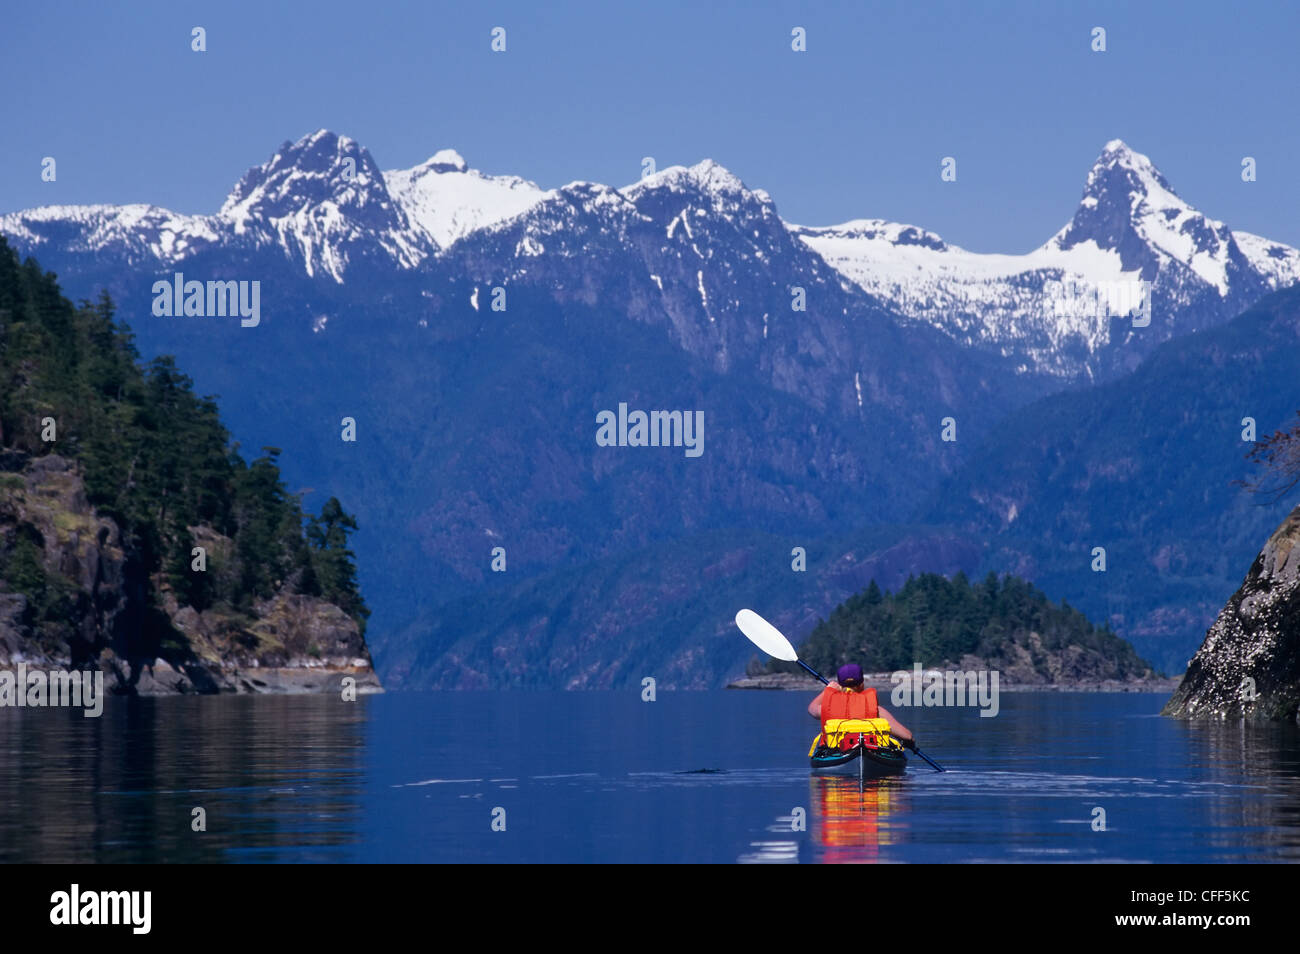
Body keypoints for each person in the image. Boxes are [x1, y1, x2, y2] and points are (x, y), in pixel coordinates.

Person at [808, 663, 915, 748]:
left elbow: (812, 708)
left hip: (837, 752)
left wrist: (828, 690)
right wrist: (910, 742)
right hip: (870, 751)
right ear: (862, 684)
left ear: (840, 684)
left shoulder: (828, 708)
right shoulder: (876, 710)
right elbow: (907, 736)